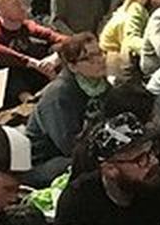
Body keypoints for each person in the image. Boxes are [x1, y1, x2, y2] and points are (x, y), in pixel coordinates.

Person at [25, 32, 110, 183]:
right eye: (89, 58)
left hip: (89, 148)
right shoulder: (59, 95)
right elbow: (69, 145)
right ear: (72, 66)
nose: (100, 60)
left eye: (100, 53)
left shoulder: (102, 86)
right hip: (46, 160)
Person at [0, 0, 64, 104]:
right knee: (8, 66)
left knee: (52, 50)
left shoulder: (30, 27)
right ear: (1, 9)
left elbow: (64, 40)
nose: (23, 8)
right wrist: (29, 62)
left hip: (31, 80)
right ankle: (27, 100)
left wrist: (54, 58)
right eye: (16, 4)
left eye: (23, 3)